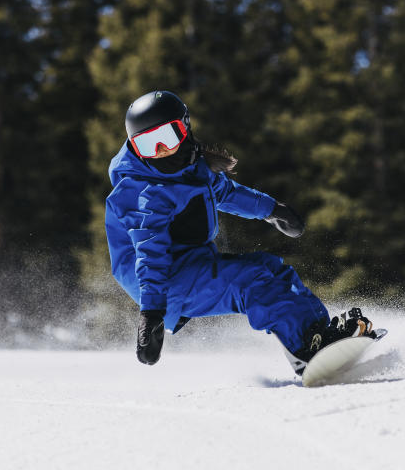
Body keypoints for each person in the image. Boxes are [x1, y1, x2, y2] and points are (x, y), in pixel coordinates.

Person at [104, 90, 376, 374]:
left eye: (167, 137)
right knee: (250, 281)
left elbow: (224, 191)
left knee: (270, 268)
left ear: (184, 129)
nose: (159, 150)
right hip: (163, 282)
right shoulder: (142, 193)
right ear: (135, 147)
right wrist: (151, 312)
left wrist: (272, 210)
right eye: (147, 144)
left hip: (187, 263)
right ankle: (306, 349)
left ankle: (316, 332)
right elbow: (150, 253)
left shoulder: (190, 166)